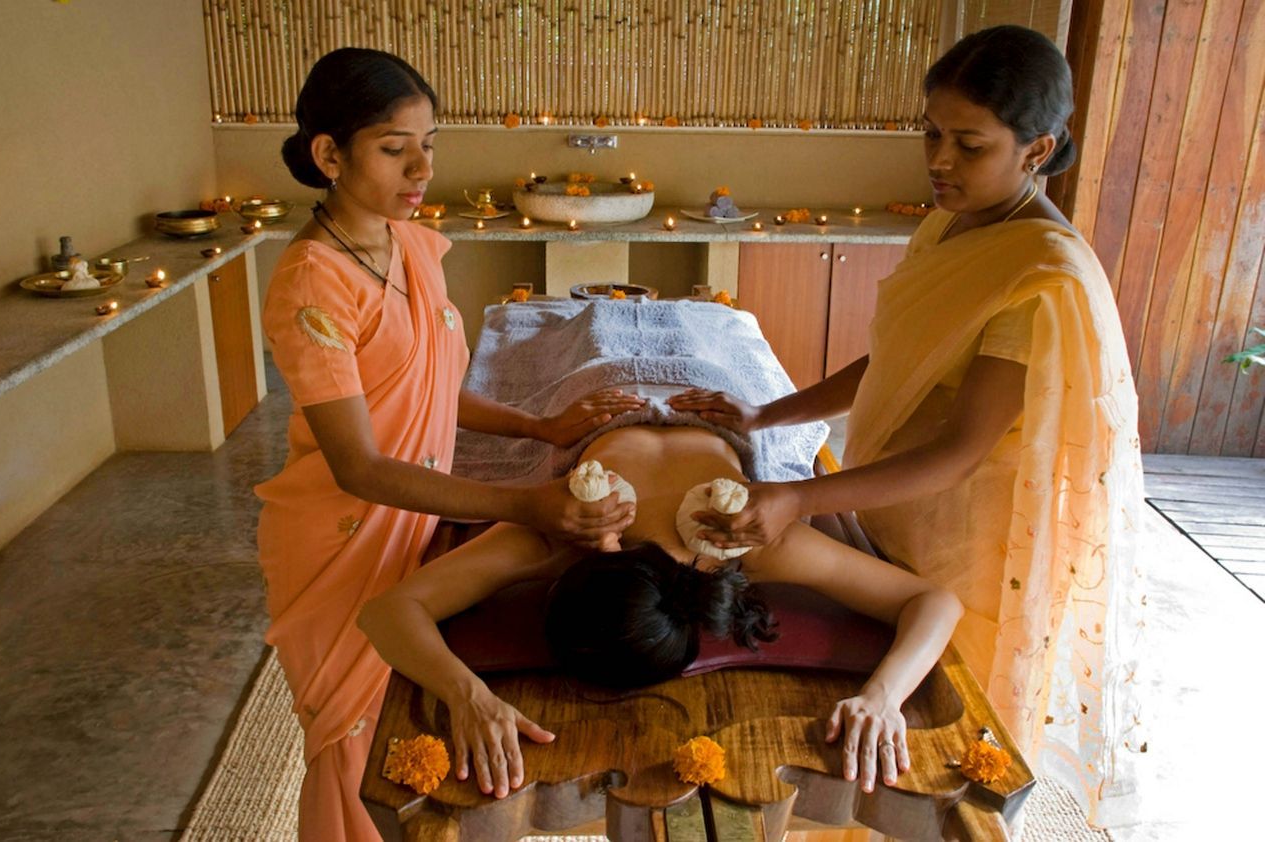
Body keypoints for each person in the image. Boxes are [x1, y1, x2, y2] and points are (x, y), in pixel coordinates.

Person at [668, 25, 1146, 824]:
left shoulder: (1041, 276)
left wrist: (794, 498)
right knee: (858, 746)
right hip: (892, 511)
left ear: (1037, 149)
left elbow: (960, 452)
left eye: (970, 143)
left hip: (968, 539)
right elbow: (892, 361)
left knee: (935, 760)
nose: (940, 161)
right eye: (932, 134)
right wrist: (766, 413)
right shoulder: (953, 223)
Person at [255, 48, 642, 842]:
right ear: (330, 154)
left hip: (416, 516)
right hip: (340, 534)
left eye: (430, 142)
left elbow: (430, 388)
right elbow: (359, 465)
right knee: (348, 747)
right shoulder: (312, 284)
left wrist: (540, 428)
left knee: (404, 728)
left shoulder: (413, 246)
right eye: (395, 147)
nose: (421, 166)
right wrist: (524, 502)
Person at [359, 424, 963, 800]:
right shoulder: (563, 531)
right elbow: (387, 611)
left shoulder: (749, 538)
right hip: (618, 417)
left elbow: (934, 601)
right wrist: (467, 695)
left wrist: (886, 697)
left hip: (685, 419)